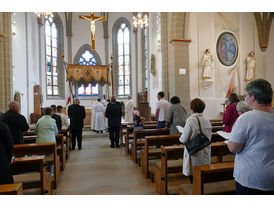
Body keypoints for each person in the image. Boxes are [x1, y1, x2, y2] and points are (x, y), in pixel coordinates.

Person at [228, 79, 274, 195]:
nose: (245, 98)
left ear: (253, 97)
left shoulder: (246, 118)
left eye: (246, 95)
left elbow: (233, 148)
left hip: (252, 179)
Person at [179, 98, 212, 183]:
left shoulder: (190, 120)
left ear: (192, 108)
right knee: (202, 177)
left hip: (194, 152)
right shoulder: (207, 120)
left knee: (194, 178)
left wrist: (181, 135)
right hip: (205, 151)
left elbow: (184, 139)